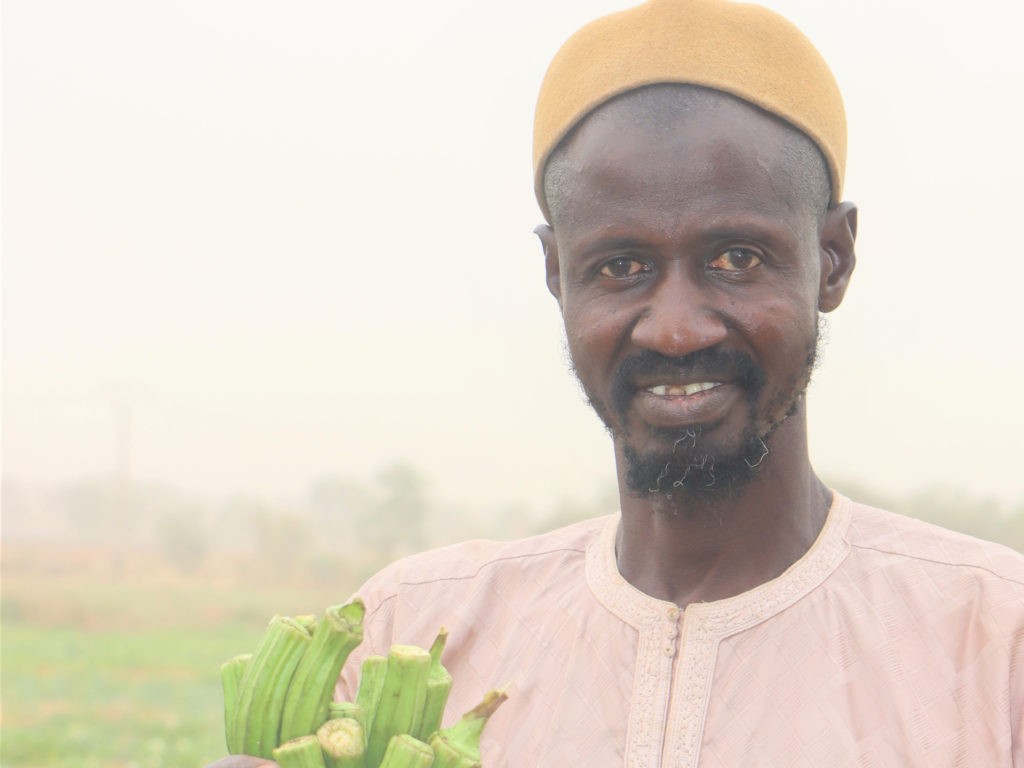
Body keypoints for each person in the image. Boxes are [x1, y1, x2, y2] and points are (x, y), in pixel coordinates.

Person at [213, 0, 1024, 765]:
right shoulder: (416, 635)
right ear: (558, 273)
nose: (675, 328)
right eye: (622, 266)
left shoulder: (993, 643)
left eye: (736, 259)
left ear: (833, 260)